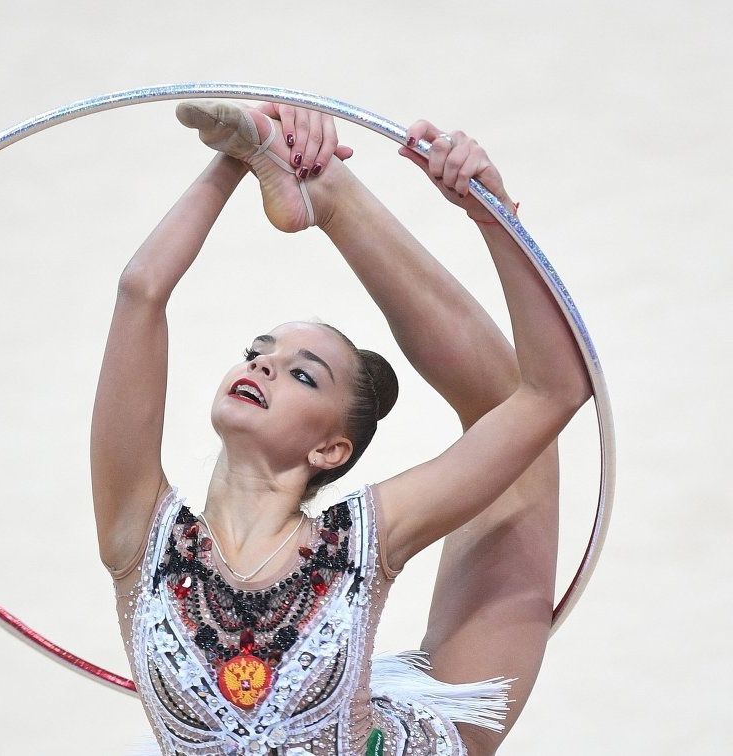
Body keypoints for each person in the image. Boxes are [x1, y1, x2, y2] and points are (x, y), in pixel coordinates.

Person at [90, 99, 589, 755]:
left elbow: (556, 392)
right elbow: (140, 289)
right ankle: (320, 190)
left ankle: (330, 195)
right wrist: (238, 155)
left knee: (513, 427)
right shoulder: (141, 535)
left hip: (419, 737)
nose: (265, 365)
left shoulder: (357, 540)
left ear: (331, 448)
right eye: (257, 353)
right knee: (506, 414)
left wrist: (493, 218)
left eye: (302, 375)